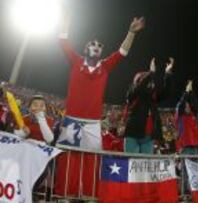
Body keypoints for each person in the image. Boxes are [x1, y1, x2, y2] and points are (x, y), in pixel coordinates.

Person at [57, 10, 145, 150]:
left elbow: (122, 52)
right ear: (86, 49)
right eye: (93, 44)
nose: (97, 46)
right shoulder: (76, 61)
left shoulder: (105, 66)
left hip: (93, 123)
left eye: (99, 45)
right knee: (68, 158)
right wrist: (65, 22)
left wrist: (131, 33)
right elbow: (63, 41)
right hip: (72, 119)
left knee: (92, 159)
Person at [123, 57, 175, 154]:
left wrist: (168, 74)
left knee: (145, 165)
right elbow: (139, 87)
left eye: (150, 82)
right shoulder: (133, 92)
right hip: (132, 135)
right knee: (131, 164)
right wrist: (150, 73)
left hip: (148, 137)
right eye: (146, 80)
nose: (150, 83)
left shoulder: (152, 97)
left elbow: (167, 93)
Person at [175, 80, 198, 154]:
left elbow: (195, 104)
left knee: (195, 165)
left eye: (188, 106)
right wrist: (187, 91)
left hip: (194, 147)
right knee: (185, 166)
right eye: (186, 107)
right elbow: (181, 104)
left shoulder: (192, 115)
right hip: (184, 147)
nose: (188, 108)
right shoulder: (180, 116)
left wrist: (191, 91)